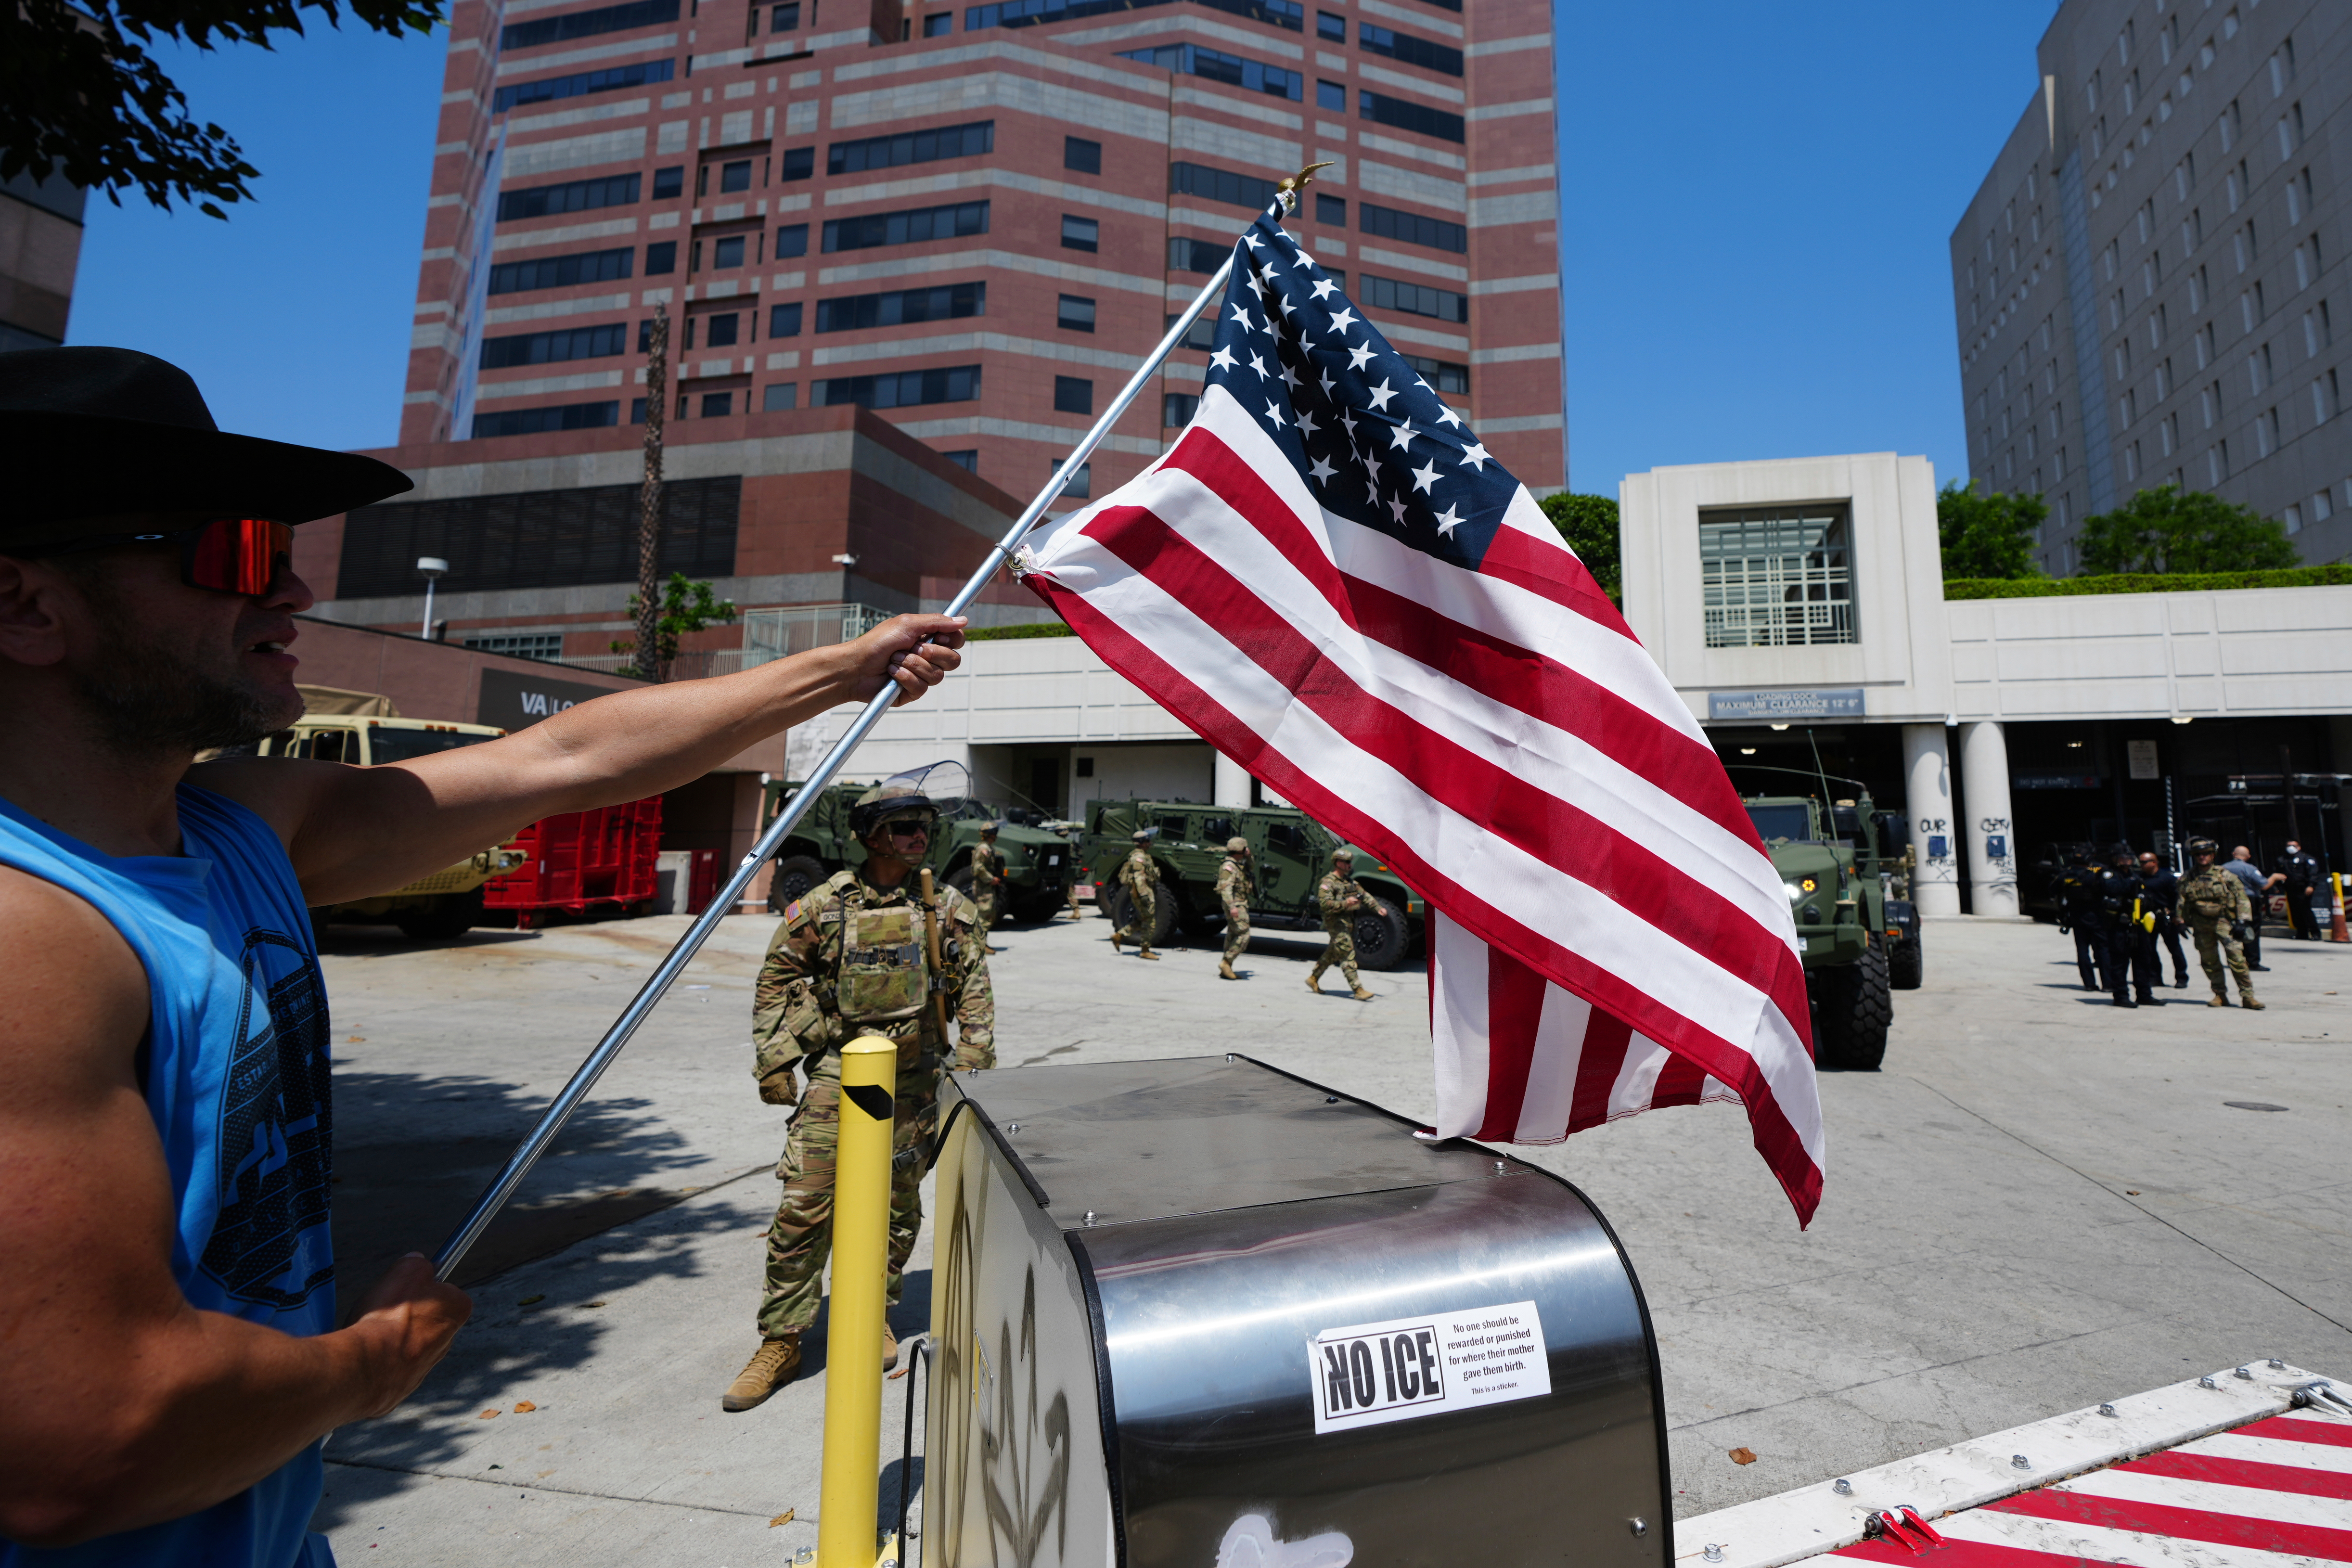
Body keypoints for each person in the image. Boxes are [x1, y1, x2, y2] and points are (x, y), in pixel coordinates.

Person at [0, 347, 967, 1562]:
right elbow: (89, 1437)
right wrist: (366, 1364)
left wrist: (843, 665)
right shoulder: (26, 932)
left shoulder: (240, 828)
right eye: (234, 554)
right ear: (25, 604)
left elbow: (557, 760)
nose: (291, 595)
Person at [727, 776, 993, 1411]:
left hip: (912, 1086)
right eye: (903, 826)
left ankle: (871, 1309)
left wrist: (975, 1066)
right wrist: (774, 1059)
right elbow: (776, 978)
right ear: (869, 835)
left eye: (923, 826)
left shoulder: (946, 908)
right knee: (804, 1205)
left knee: (896, 1209)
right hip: (836, 1078)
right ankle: (782, 1338)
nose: (918, 837)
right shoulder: (824, 905)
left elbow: (974, 990)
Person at [2178, 837, 2262, 1008]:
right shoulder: (2188, 877)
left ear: (2213, 855)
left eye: (2206, 854)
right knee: (2210, 961)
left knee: (2237, 960)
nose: (2202, 857)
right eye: (2199, 854)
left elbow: (2242, 897)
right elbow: (2181, 900)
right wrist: (2180, 920)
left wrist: (2242, 921)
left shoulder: (2225, 875)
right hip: (2201, 924)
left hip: (2225, 922)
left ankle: (2248, 996)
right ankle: (2220, 994)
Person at [1309, 848, 1386, 1000]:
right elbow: (1324, 904)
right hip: (1335, 923)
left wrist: (1378, 908)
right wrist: (1345, 904)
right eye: (1347, 862)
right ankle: (1358, 990)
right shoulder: (1328, 883)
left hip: (1347, 923)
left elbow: (1364, 896)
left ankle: (1313, 978)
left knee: (1333, 953)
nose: (1350, 865)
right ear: (1338, 863)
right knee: (1347, 954)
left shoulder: (1349, 882)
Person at [2094, 843, 2160, 1007]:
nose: (2127, 862)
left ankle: (2144, 994)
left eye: (2129, 859)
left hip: (2137, 923)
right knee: (2120, 962)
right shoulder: (2108, 874)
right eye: (2123, 859)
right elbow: (2114, 890)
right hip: (2117, 925)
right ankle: (2121, 996)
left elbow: (2143, 893)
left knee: (2143, 959)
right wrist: (2131, 884)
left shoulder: (2134, 875)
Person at [2054, 844, 2108, 992]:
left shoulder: (2066, 874)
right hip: (2097, 916)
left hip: (2076, 916)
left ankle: (2089, 984)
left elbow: (2053, 889)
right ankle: (2108, 984)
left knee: (2082, 951)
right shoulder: (2096, 874)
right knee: (2103, 950)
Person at [2137, 850, 2190, 989]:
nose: (2141, 865)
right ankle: (2155, 978)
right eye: (2140, 862)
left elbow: (2177, 899)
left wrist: (2178, 917)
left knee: (2174, 948)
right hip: (2148, 918)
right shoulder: (2140, 878)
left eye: (2144, 862)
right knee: (2149, 949)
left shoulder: (2167, 878)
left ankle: (2181, 977)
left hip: (2166, 917)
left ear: (2154, 863)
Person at [1111, 827, 1160, 960]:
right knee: (1150, 921)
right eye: (1148, 841)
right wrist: (1144, 895)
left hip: (1144, 891)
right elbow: (1139, 878)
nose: (1150, 843)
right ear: (1142, 842)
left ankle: (1119, 936)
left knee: (1145, 919)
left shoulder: (1142, 855)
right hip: (1143, 892)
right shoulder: (1139, 857)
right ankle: (1145, 950)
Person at [2222, 845, 2270, 969]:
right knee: (2252, 930)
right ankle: (2253, 961)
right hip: (2249, 900)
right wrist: (2274, 877)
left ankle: (2236, 960)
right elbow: (2264, 885)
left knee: (2233, 930)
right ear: (2248, 857)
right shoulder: (2250, 868)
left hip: (2229, 901)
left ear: (2234, 854)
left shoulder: (2223, 868)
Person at [2270, 838, 2326, 941]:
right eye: (2289, 846)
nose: (2291, 848)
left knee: (2306, 910)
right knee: (2295, 912)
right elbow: (2277, 873)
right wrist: (2277, 887)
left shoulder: (2306, 859)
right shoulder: (2282, 860)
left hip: (2303, 888)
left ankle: (2315, 933)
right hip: (2290, 889)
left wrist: (2311, 886)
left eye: (2294, 846)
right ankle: (2301, 933)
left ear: (2299, 847)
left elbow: (2313, 874)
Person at [1214, 836, 1252, 980]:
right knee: (1244, 935)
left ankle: (1226, 967)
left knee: (1232, 933)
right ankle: (1227, 962)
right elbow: (1226, 889)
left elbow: (1252, 867)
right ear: (1241, 850)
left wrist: (1249, 857)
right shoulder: (1228, 867)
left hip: (1239, 903)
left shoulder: (1238, 864)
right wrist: (1232, 907)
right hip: (1235, 904)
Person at [968, 820, 1003, 941]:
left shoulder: (987, 848)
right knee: (984, 916)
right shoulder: (984, 849)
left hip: (986, 887)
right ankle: (980, 944)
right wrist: (991, 879)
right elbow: (978, 868)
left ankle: (982, 942)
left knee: (989, 915)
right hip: (983, 887)